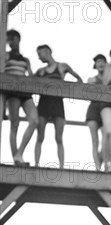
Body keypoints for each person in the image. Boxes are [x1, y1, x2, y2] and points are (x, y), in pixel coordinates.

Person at [34, 45, 82, 169]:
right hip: (43, 103)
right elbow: (30, 83)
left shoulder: (62, 66)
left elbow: (78, 79)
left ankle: (61, 166)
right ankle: (36, 165)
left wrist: (68, 91)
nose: (39, 57)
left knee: (59, 137)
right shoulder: (40, 71)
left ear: (48, 51)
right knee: (40, 136)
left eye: (40, 54)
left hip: (57, 104)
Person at [4, 29, 38, 166]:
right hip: (12, 91)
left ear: (18, 39)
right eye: (9, 40)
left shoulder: (25, 59)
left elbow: (31, 75)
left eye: (13, 39)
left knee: (34, 120)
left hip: (25, 91)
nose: (11, 42)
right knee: (15, 124)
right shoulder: (5, 55)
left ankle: (19, 153)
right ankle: (16, 159)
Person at [86, 54, 107, 170]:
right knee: (94, 140)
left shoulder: (109, 79)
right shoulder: (92, 79)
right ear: (95, 65)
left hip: (106, 109)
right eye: (98, 61)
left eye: (102, 61)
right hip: (93, 109)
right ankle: (97, 167)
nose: (100, 63)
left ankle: (102, 162)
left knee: (106, 139)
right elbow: (88, 93)